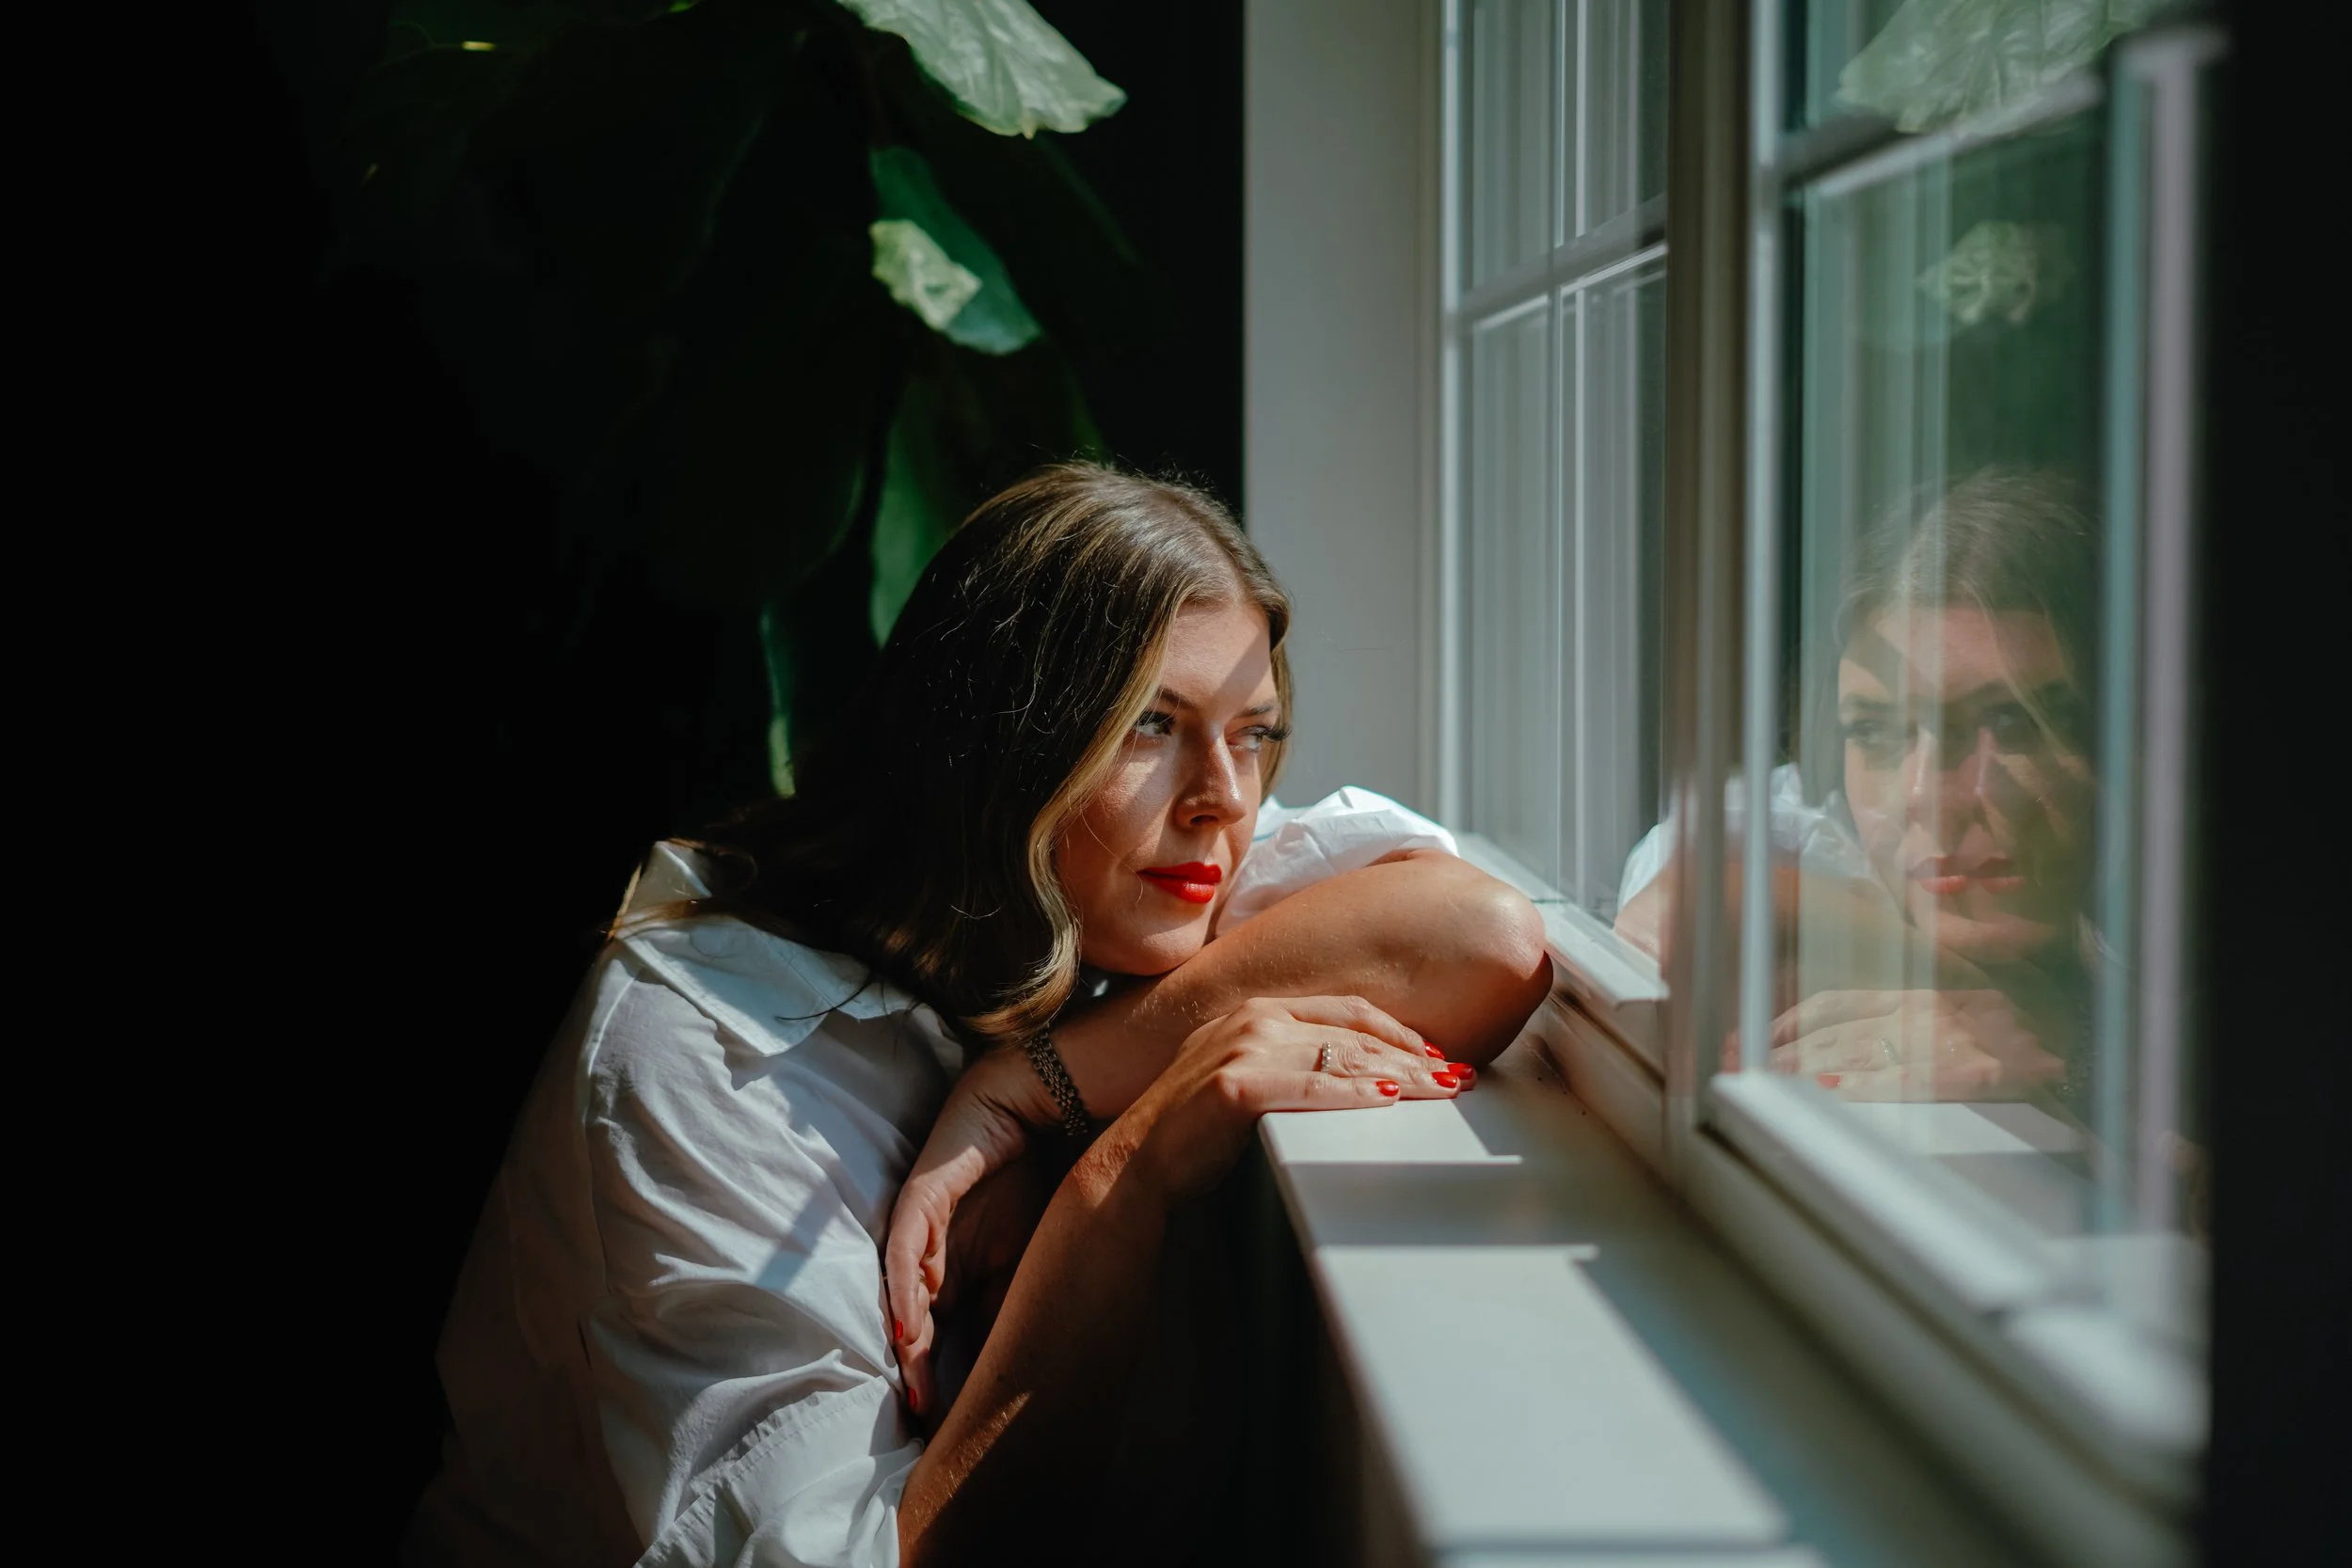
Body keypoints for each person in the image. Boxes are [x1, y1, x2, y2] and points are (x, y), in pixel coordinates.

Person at [406, 465, 1552, 1567]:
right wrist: (1122, 1176)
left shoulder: (1118, 893)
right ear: (996, 747)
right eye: (1150, 724)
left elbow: (1480, 939)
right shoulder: (709, 1056)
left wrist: (1034, 1081)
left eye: (1252, 730)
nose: (1227, 797)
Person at [1614, 468, 2100, 1104]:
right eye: (1877, 732)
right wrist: (2006, 999)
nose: (1926, 793)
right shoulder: (1794, 832)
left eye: (2013, 725)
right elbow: (1684, 908)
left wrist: (2067, 1043)